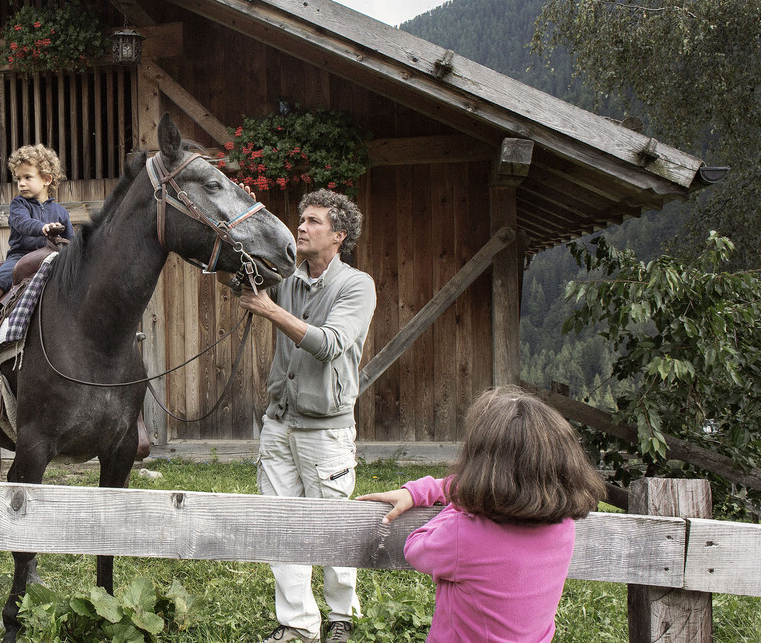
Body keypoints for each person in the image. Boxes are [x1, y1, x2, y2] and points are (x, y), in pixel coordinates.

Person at [356, 386, 606, 643]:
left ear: (482, 466)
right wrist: (430, 490)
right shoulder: (564, 527)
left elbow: (415, 550)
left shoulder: (463, 534)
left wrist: (459, 503)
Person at [238, 189, 376, 643]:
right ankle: (298, 625)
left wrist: (271, 310)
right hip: (278, 422)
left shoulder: (357, 285)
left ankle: (340, 616)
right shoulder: (286, 277)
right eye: (301, 219)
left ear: (338, 236)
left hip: (326, 430)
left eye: (313, 222)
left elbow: (330, 342)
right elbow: (237, 274)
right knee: (282, 526)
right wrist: (244, 211)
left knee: (333, 526)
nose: (301, 227)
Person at [0, 144, 73, 352]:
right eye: (18, 179)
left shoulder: (60, 212)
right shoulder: (19, 205)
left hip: (51, 258)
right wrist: (43, 227)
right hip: (22, 257)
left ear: (47, 179)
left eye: (27, 177)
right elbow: (22, 223)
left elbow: (71, 240)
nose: (21, 184)